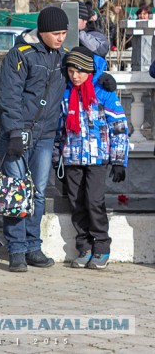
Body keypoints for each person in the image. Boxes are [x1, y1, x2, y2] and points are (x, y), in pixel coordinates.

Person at [0, 6, 116, 273]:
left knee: (38, 193)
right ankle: (16, 249)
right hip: (19, 133)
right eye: (56, 33)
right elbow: (9, 96)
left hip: (45, 135)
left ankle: (32, 246)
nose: (61, 38)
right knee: (18, 192)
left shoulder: (62, 57)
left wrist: (103, 80)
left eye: (64, 33)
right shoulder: (20, 55)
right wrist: (15, 131)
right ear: (42, 31)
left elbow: (84, 69)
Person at [54, 47, 129, 269]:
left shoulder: (103, 92)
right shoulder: (65, 93)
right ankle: (84, 246)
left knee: (94, 201)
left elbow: (119, 127)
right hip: (72, 158)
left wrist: (118, 160)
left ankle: (102, 246)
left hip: (98, 158)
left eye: (78, 71)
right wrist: (57, 158)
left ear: (88, 70)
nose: (74, 76)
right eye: (70, 71)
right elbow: (60, 130)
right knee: (77, 203)